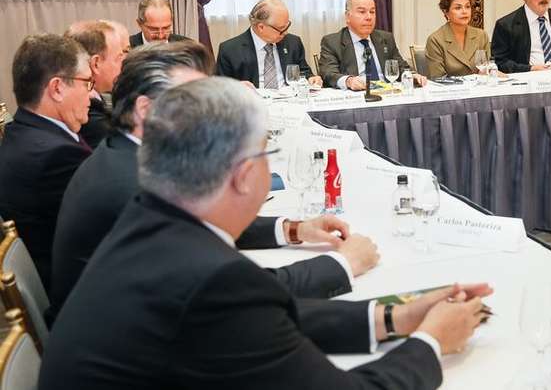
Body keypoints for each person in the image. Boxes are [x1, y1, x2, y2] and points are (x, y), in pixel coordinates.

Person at [39, 76, 492, 389]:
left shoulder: (150, 216)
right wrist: (431, 343)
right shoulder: (211, 279)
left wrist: (396, 316)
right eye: (265, 153)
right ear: (241, 174)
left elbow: (273, 323)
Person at [48, 42, 377, 325]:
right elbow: (234, 293)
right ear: (146, 110)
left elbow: (201, 225)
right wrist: (342, 264)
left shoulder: (125, 155)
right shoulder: (133, 185)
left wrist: (294, 229)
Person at [0, 34, 92, 291]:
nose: (90, 94)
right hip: (73, 292)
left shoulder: (21, 133)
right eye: (86, 83)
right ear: (57, 88)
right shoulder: (57, 157)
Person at [319, 0, 427, 91]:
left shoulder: (386, 38)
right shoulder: (332, 42)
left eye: (372, 12)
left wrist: (411, 75)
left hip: (388, 95)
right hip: (357, 98)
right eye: (362, 12)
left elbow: (401, 67)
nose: (369, 17)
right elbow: (328, 73)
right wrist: (348, 81)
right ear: (348, 16)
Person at [216, 0, 321, 88]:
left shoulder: (293, 43)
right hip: (253, 104)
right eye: (281, 28)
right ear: (261, 27)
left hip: (290, 102)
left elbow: (304, 73)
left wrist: (311, 78)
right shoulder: (230, 50)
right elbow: (222, 88)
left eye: (287, 26)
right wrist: (237, 88)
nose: (285, 33)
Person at [64, 19, 130, 148]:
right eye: (119, 58)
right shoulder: (87, 115)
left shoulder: (94, 102)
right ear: (96, 64)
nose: (124, 64)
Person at [425, 0, 491, 79]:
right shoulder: (435, 40)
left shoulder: (481, 35)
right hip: (449, 92)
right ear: (446, 12)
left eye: (467, 6)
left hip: (479, 91)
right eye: (458, 8)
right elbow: (438, 78)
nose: (464, 11)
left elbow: (486, 70)